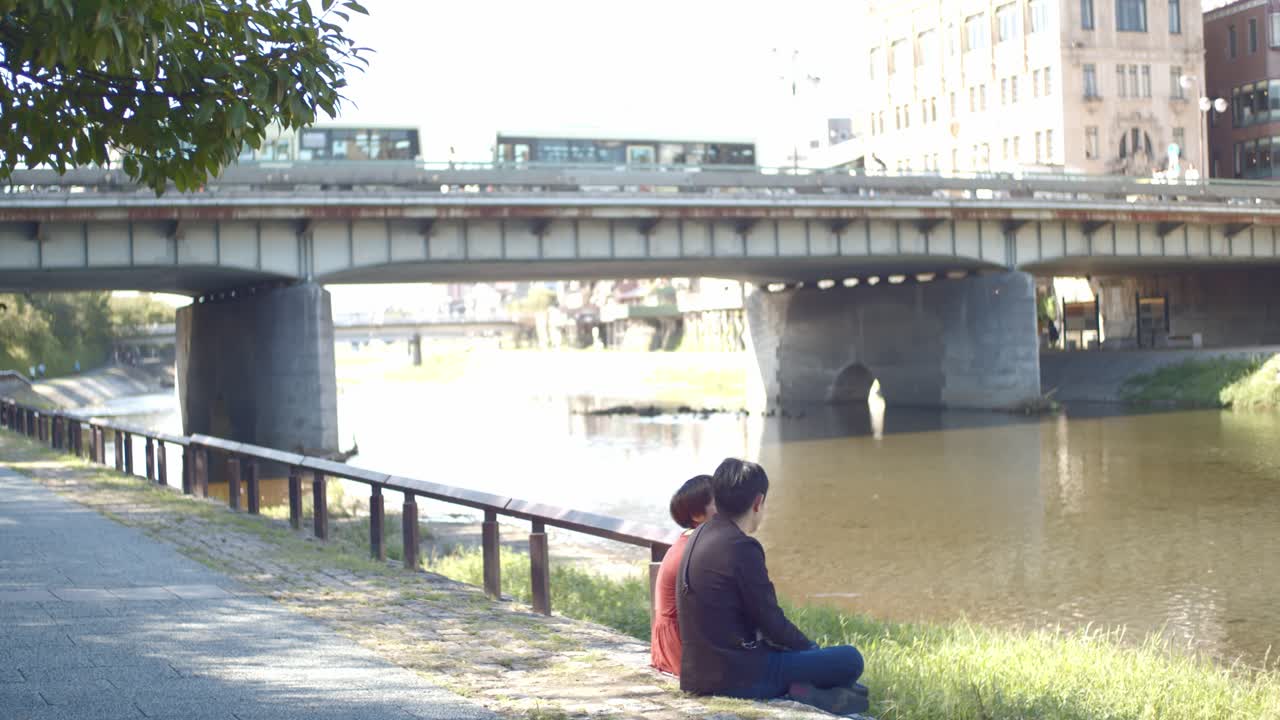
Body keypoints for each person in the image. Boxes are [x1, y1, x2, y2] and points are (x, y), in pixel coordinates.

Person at [678, 458, 868, 716]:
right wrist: (812, 650)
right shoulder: (741, 547)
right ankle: (804, 688)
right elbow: (771, 621)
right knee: (850, 659)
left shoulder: (700, 534)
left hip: (697, 674)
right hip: (737, 676)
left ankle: (808, 690)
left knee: (811, 660)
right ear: (758, 502)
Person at [651, 474, 715, 676]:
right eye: (720, 502)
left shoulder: (691, 541)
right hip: (680, 649)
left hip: (672, 643)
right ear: (697, 514)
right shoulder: (697, 550)